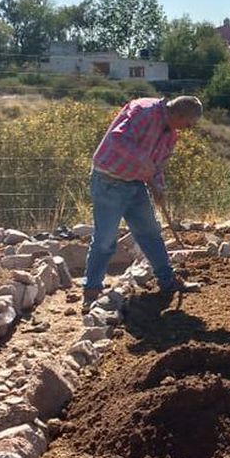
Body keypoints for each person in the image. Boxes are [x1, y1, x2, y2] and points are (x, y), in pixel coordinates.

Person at [84, 95, 203, 306]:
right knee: (105, 239)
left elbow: (157, 166)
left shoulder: (170, 135)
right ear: (179, 115)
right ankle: (92, 291)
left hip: (135, 183)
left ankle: (168, 281)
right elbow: (117, 138)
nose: (188, 129)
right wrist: (142, 159)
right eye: (188, 124)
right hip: (108, 179)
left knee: (150, 233)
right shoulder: (144, 111)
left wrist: (158, 187)